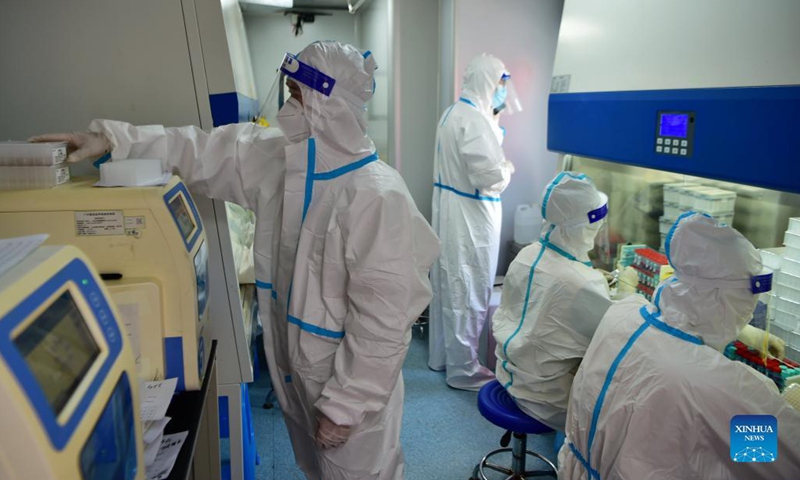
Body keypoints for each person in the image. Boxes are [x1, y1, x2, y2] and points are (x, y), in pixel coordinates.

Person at [32, 41, 440, 480]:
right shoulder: (286, 162)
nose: (288, 105)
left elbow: (383, 321)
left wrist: (346, 405)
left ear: (329, 103)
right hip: (301, 374)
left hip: (350, 388)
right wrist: (111, 140)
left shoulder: (377, 196)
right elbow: (202, 150)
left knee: (363, 474)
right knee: (318, 471)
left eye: (297, 95)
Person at [560, 213, 800, 480]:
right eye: (747, 298)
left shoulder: (624, 313)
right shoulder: (715, 384)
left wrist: (742, 333)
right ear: (725, 299)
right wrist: (782, 404)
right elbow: (774, 459)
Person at [492, 172, 613, 431]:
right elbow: (607, 339)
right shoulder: (582, 282)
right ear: (586, 226)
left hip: (507, 372)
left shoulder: (528, 254)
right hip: (544, 398)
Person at [428, 53, 518, 390]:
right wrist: (507, 167)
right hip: (472, 216)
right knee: (468, 290)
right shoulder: (474, 122)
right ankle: (464, 371)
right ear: (487, 83)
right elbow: (489, 176)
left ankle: (443, 358)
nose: (503, 94)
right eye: (500, 86)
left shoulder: (454, 114)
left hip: (453, 209)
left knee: (449, 287)